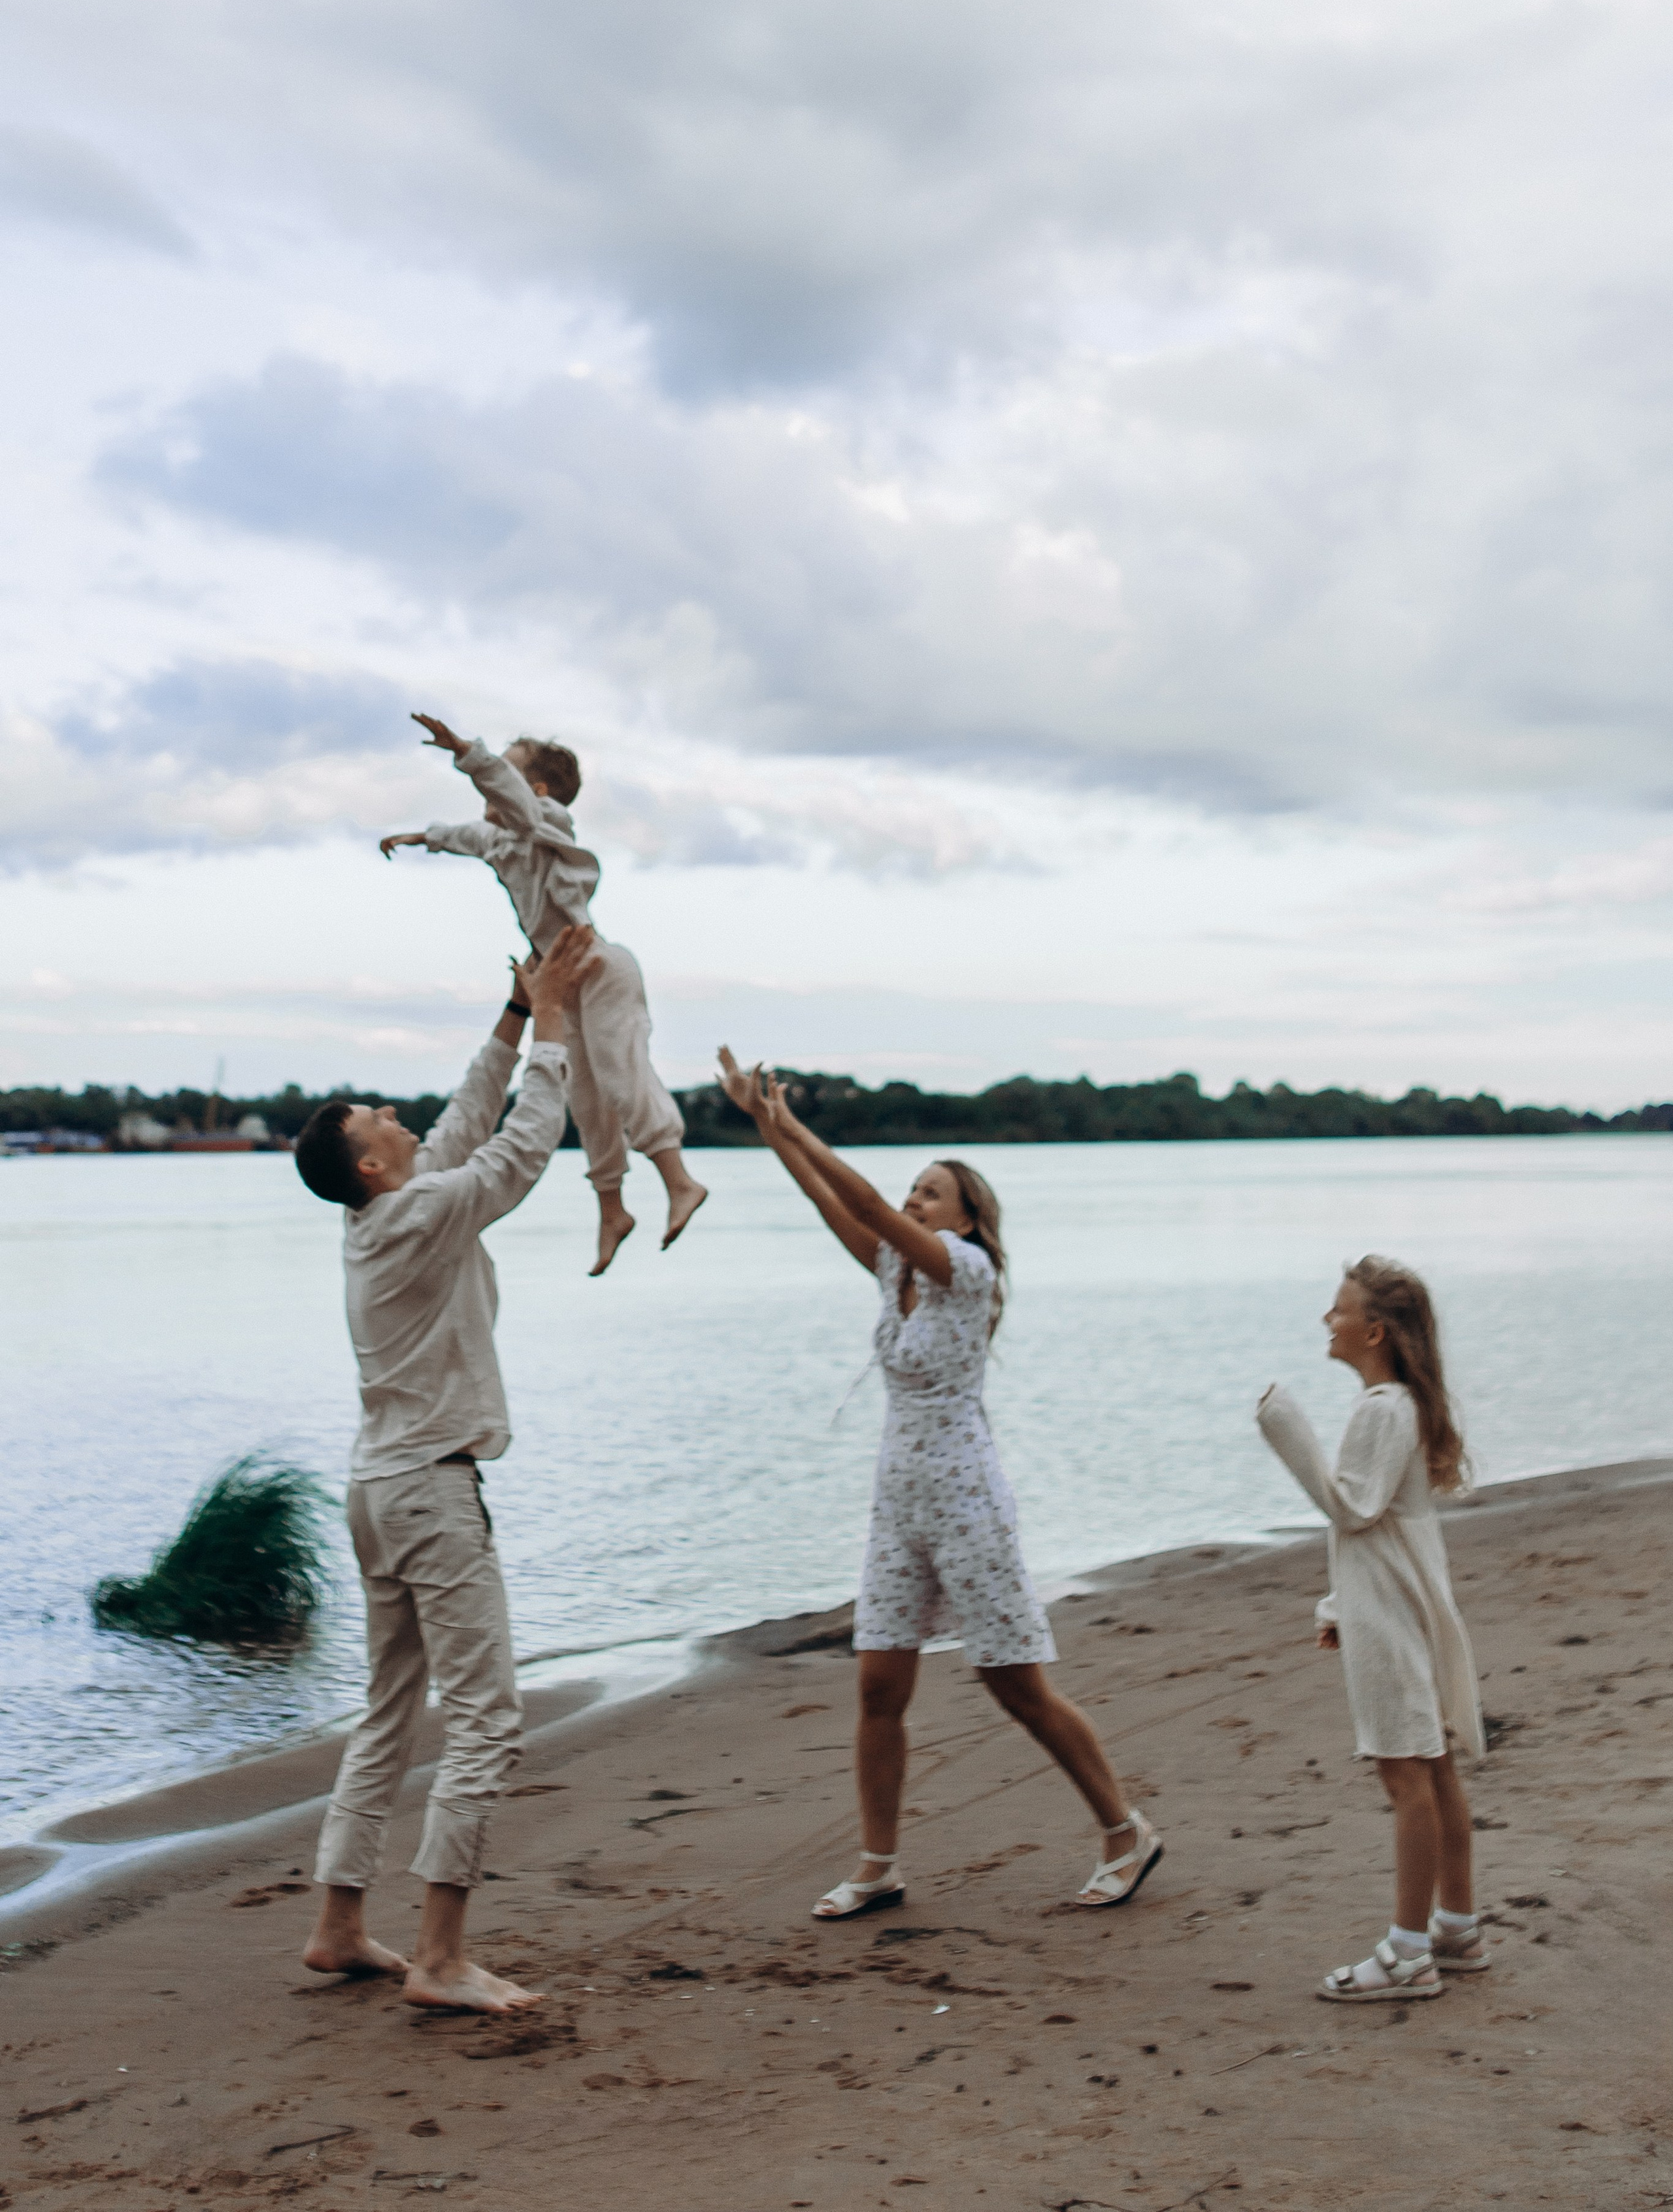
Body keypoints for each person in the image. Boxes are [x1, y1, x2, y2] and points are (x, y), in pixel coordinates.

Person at [715, 1050, 1164, 1918]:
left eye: (930, 1193)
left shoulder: (968, 1272)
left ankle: (1125, 1831)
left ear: (965, 1218)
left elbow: (867, 1204)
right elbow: (828, 1199)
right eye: (913, 1190)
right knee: (878, 1689)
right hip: (899, 1504)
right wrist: (764, 1123)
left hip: (966, 1500)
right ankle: (878, 1865)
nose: (913, 1201)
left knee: (1017, 1686)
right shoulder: (898, 1273)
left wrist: (796, 1121)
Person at [293, 926, 602, 2015]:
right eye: (380, 1116)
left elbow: (471, 1118)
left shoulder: (385, 1211)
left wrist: (518, 1012)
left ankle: (338, 1926)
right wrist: (558, 1027)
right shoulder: (420, 1210)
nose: (398, 1111)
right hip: (426, 1488)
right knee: (487, 1715)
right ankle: (440, 1956)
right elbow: (519, 1148)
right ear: (373, 1163)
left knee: (389, 1712)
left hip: (380, 1490)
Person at [380, 711, 706, 1276]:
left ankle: (679, 1180)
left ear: (536, 789)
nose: (494, 782)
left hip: (599, 967)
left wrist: (465, 750)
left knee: (622, 1076)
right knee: (587, 1097)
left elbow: (515, 802)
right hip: (562, 980)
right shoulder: (504, 840)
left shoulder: (545, 821)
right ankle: (612, 1209)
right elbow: (467, 836)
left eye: (505, 772)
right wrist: (421, 836)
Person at [1257, 1255, 1487, 2003]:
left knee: (1406, 1775)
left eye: (1338, 1310)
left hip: (1390, 1614)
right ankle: (1455, 1924)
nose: (1329, 1320)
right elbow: (1378, 1527)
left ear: (1374, 1330)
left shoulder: (1382, 1410)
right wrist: (1334, 1608)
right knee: (1434, 1764)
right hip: (1398, 1601)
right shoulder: (1397, 1407)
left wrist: (1284, 1427)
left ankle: (1406, 1953)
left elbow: (1350, 1509)